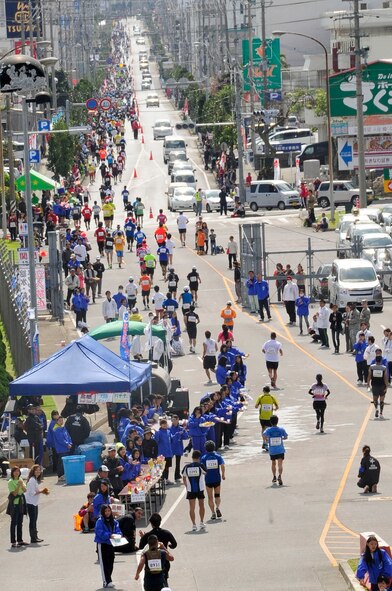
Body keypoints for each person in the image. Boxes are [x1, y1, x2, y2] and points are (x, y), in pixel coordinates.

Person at [95, 504, 121, 589]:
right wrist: (109, 535)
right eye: (105, 511)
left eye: (109, 511)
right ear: (103, 512)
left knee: (111, 561)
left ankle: (108, 579)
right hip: (102, 544)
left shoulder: (113, 521)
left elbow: (118, 530)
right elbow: (99, 532)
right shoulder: (100, 521)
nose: (107, 513)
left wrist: (119, 535)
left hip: (111, 544)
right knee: (104, 563)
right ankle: (107, 581)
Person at [182, 450, 207, 531]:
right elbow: (206, 473)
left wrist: (186, 486)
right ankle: (202, 522)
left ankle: (194, 525)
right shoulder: (201, 465)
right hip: (200, 489)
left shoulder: (187, 466)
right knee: (201, 505)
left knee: (191, 508)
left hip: (190, 490)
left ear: (192, 457)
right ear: (199, 458)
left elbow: (184, 477)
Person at [201, 440, 225, 520]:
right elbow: (222, 465)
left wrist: (203, 474)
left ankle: (213, 513)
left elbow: (202, 468)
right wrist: (223, 474)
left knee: (210, 497)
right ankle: (217, 507)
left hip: (208, 480)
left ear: (206, 449)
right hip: (217, 478)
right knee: (217, 495)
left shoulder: (204, 458)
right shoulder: (218, 456)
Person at [263, 415, 288, 486]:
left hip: (272, 450)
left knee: (273, 463)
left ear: (270, 422)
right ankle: (279, 476)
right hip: (280, 449)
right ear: (277, 421)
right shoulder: (281, 429)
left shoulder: (268, 430)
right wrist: (281, 439)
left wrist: (267, 440)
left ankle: (274, 476)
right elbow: (286, 437)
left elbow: (264, 435)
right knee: (280, 463)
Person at [25, 464, 47, 543]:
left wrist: (41, 491)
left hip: (34, 502)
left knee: (34, 520)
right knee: (33, 520)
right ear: (33, 471)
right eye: (36, 470)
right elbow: (32, 493)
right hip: (30, 503)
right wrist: (42, 491)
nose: (38, 471)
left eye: (39, 470)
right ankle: (33, 538)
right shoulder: (32, 480)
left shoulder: (35, 479)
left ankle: (35, 537)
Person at [7, 466, 27, 548]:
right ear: (12, 472)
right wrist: (19, 486)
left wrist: (21, 485)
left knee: (20, 522)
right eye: (15, 471)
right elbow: (14, 494)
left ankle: (20, 540)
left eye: (18, 471)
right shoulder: (10, 481)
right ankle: (13, 541)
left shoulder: (20, 479)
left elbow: (25, 490)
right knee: (13, 522)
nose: (17, 473)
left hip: (21, 503)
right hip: (15, 504)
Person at [255, 386, 279, 450]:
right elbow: (277, 407)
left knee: (263, 429)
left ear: (263, 391)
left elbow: (256, 406)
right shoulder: (272, 397)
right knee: (268, 430)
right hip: (269, 417)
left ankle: (264, 442)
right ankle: (266, 443)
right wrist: (272, 408)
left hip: (262, 416)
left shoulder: (261, 397)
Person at [52, 415, 73, 482]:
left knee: (64, 462)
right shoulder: (57, 429)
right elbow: (60, 439)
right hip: (62, 449)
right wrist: (67, 444)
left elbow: (68, 436)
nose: (61, 422)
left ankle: (64, 474)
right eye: (60, 421)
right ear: (57, 421)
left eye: (62, 420)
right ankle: (60, 475)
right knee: (61, 462)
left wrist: (70, 442)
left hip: (66, 447)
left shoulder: (62, 428)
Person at [368, 354, 388, 418]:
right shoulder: (384, 368)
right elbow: (385, 377)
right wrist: (386, 386)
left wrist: (368, 383)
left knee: (375, 399)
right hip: (382, 385)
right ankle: (381, 413)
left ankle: (376, 409)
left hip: (374, 385)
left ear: (375, 360)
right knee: (382, 400)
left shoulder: (371, 367)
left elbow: (369, 376)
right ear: (381, 360)